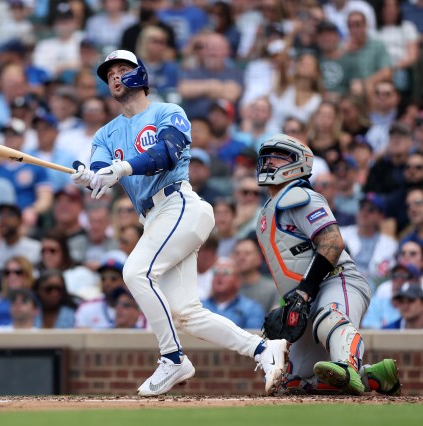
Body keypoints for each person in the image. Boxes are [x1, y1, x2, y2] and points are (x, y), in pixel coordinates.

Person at [70, 49, 289, 397]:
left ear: (140, 74)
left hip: (180, 205)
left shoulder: (168, 112)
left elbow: (167, 152)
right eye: (109, 72)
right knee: (186, 314)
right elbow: (99, 168)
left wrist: (121, 169)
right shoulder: (106, 135)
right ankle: (264, 350)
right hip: (153, 218)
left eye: (122, 68)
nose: (114, 75)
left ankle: (172, 358)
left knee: (136, 272)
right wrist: (89, 176)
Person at [254, 133, 401, 395]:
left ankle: (347, 363)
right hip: (305, 297)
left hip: (337, 279)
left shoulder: (300, 195)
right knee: (294, 383)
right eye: (267, 157)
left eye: (279, 157)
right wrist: (292, 302)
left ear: (299, 162)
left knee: (330, 316)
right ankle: (377, 377)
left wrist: (304, 290)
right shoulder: (267, 210)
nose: (270, 162)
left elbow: (332, 243)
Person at [202, 257, 265, 329]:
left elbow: (255, 337)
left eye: (226, 272)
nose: (219, 276)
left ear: (237, 281)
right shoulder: (200, 306)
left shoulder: (251, 308)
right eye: (215, 272)